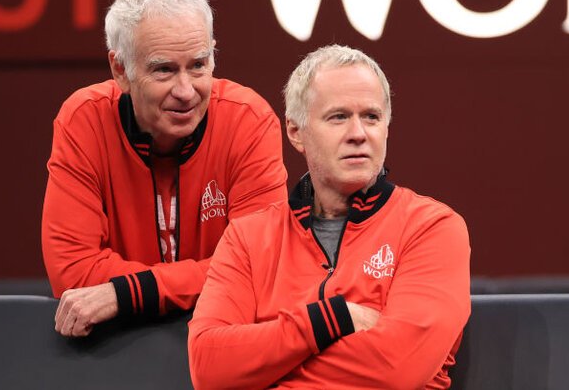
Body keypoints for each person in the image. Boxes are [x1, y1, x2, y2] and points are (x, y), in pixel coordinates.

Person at [188, 45, 471, 389]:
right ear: (295, 132)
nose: (358, 133)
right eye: (338, 117)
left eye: (371, 116)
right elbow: (209, 368)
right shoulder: (247, 238)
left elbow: (395, 371)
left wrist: (262, 368)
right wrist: (330, 320)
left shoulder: (432, 228)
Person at [41, 0, 287, 337]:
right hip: (113, 353)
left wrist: (126, 294)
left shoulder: (248, 120)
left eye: (198, 65)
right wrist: (205, 279)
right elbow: (73, 272)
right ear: (120, 69)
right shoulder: (84, 120)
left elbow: (260, 271)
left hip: (224, 348)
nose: (186, 91)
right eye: (164, 70)